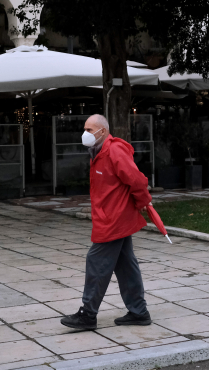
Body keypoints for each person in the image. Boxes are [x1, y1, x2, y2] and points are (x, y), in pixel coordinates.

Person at [60, 114, 153, 330]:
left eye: (90, 130)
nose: (85, 133)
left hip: (114, 220)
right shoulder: (98, 152)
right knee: (126, 265)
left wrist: (143, 202)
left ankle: (87, 314)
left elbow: (137, 180)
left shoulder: (114, 151)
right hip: (110, 217)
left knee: (96, 262)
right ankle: (139, 312)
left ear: (103, 131)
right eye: (85, 129)